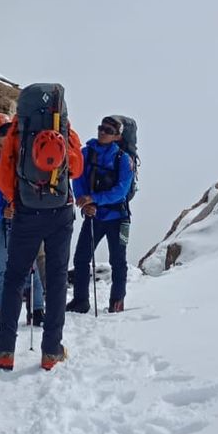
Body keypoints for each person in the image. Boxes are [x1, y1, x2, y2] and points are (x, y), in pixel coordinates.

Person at [0, 87, 83, 371]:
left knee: (14, 278)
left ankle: (5, 350)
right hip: (61, 213)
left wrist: (18, 200)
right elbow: (76, 169)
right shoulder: (65, 129)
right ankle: (51, 351)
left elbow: (3, 177)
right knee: (57, 278)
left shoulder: (17, 131)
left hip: (26, 214)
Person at [0, 113, 45, 329]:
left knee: (31, 264)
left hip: (23, 217)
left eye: (9, 130)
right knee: (1, 268)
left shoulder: (23, 158)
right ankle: (2, 311)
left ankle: (37, 309)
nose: (8, 135)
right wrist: (0, 212)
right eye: (3, 132)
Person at [68, 115, 134, 314]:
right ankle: (81, 301)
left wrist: (92, 200)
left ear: (117, 137)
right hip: (96, 215)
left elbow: (122, 190)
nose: (102, 132)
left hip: (117, 216)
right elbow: (77, 179)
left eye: (108, 131)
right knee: (81, 258)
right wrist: (84, 201)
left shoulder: (123, 159)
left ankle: (117, 302)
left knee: (118, 261)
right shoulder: (85, 153)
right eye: (101, 128)